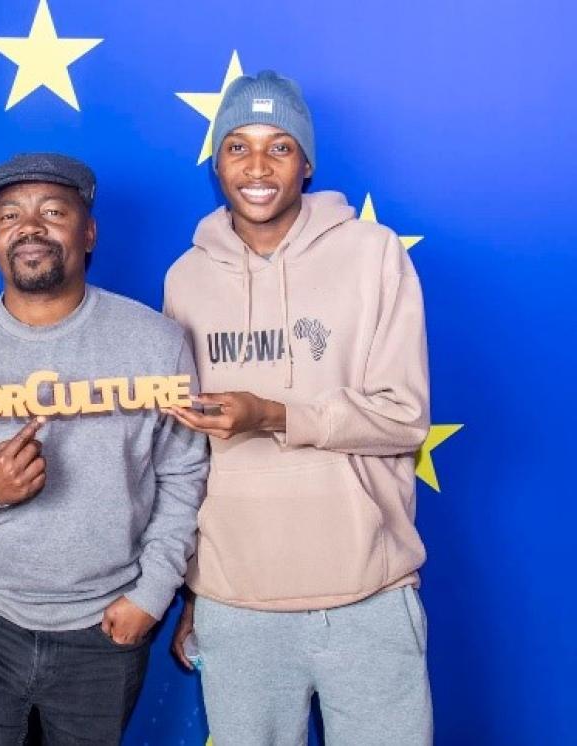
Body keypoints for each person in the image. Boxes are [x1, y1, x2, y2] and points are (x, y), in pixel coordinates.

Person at [0, 153, 208, 744]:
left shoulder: (155, 343)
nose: (30, 226)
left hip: (105, 626)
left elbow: (184, 477)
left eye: (53, 211)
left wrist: (152, 593)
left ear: (88, 232)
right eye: (9, 215)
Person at [164, 71, 433, 744]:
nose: (256, 166)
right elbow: (182, 453)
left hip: (365, 595)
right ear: (217, 162)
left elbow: (403, 416)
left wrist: (275, 415)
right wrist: (192, 592)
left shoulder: (373, 255)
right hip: (235, 601)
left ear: (306, 162)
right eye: (237, 146)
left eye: (278, 146)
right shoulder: (185, 277)